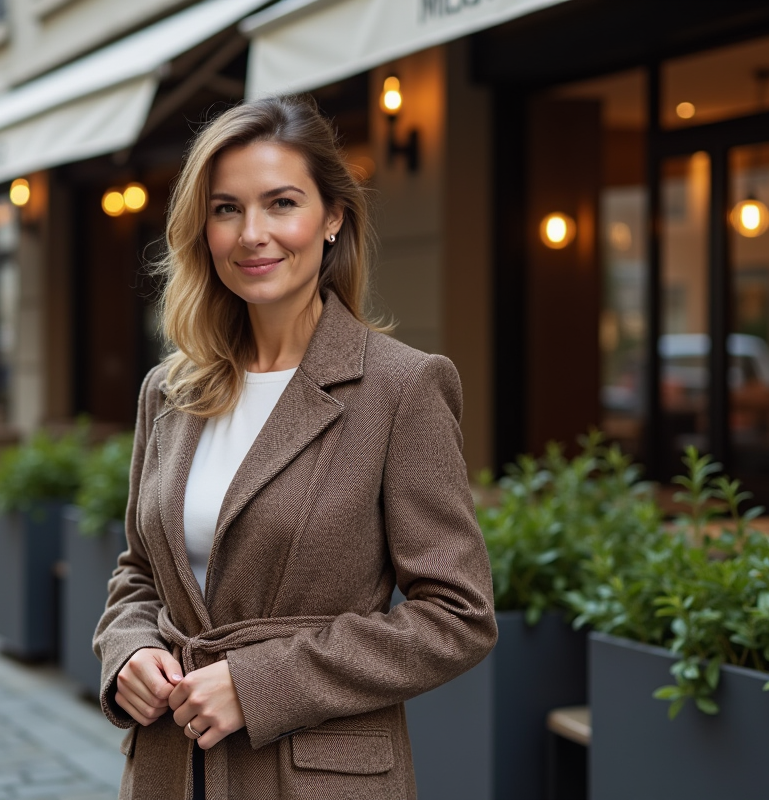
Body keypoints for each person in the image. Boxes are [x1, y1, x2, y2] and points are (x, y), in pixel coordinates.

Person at [93, 96, 497, 800]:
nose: (253, 234)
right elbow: (139, 572)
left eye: (281, 203)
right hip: (169, 767)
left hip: (312, 776)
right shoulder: (169, 390)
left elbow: (458, 617)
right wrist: (127, 650)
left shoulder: (401, 387)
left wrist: (259, 685)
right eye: (226, 209)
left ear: (332, 217)